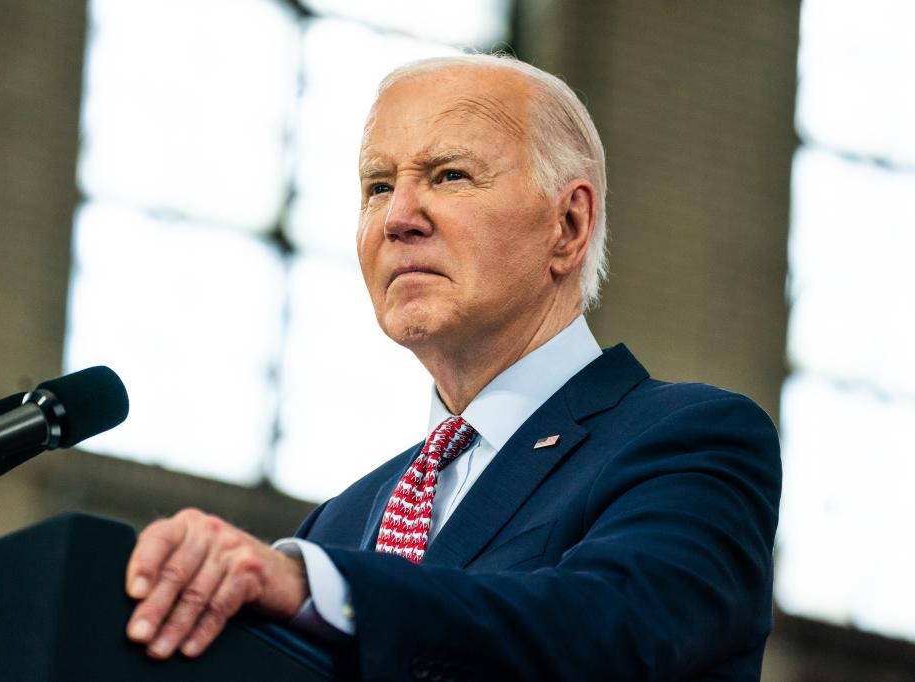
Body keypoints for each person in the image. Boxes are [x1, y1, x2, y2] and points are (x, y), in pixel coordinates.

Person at [123, 54, 781, 681]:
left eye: (450, 177)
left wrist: (314, 585)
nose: (399, 218)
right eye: (378, 187)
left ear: (569, 225)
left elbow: (604, 629)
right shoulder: (341, 523)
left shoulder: (692, 438)